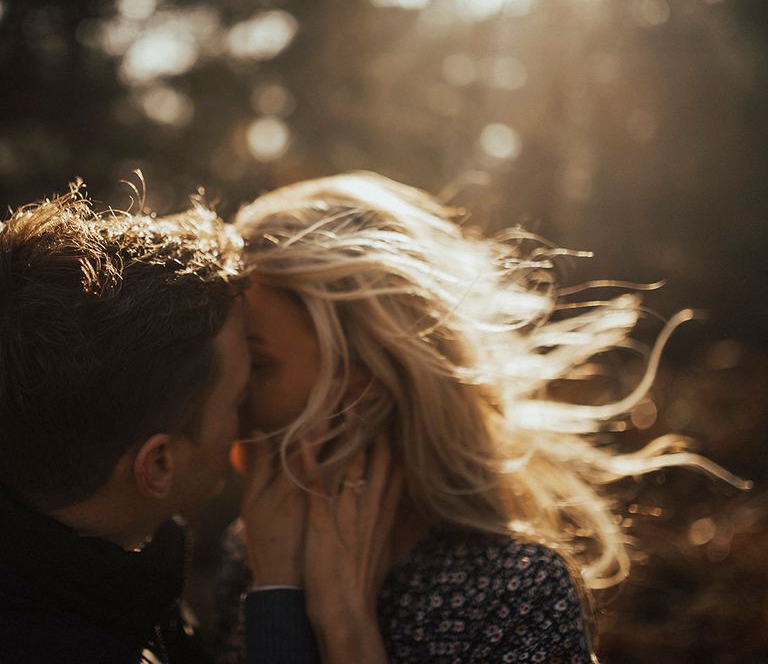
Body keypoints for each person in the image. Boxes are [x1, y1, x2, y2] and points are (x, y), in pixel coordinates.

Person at [216, 172, 750, 663]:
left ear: (367, 372)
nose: (232, 393)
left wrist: (347, 630)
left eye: (258, 364)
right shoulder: (253, 547)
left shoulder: (515, 593)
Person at [0, 183, 390, 664]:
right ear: (158, 464)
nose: (247, 423)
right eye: (239, 396)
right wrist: (300, 610)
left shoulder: (115, 587)